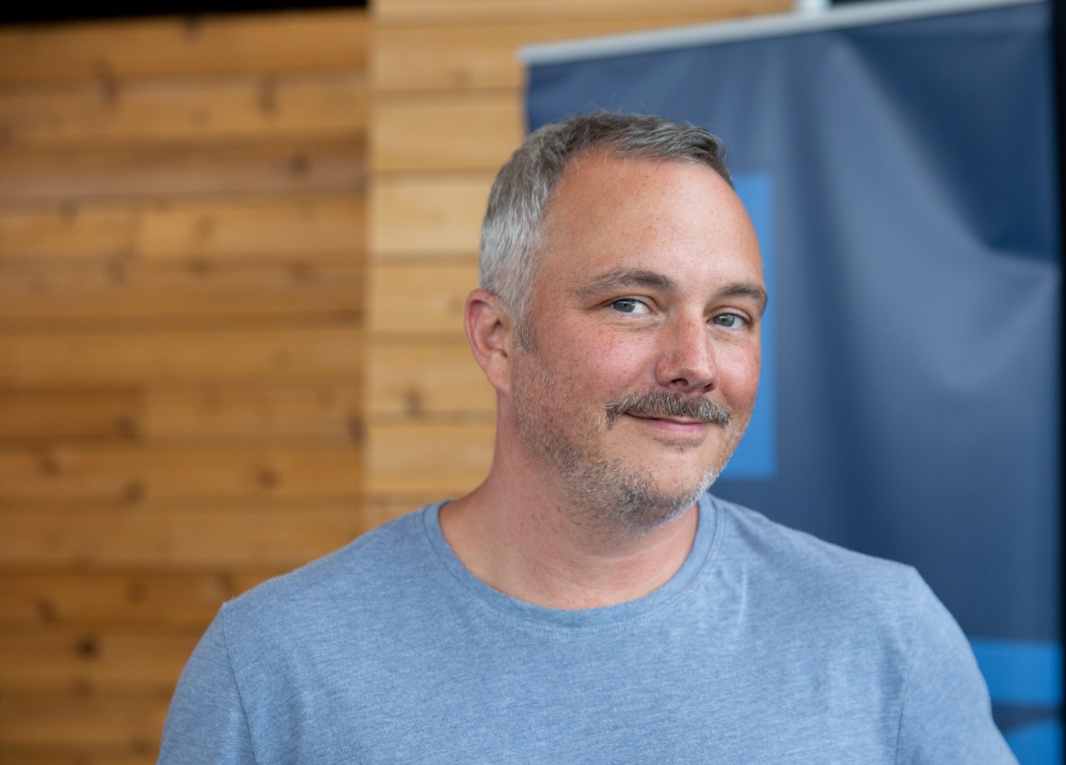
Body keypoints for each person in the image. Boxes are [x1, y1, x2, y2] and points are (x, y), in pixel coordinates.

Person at [159, 112, 1016, 763]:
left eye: (729, 316)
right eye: (631, 303)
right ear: (498, 338)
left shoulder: (882, 633)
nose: (695, 363)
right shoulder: (276, 664)